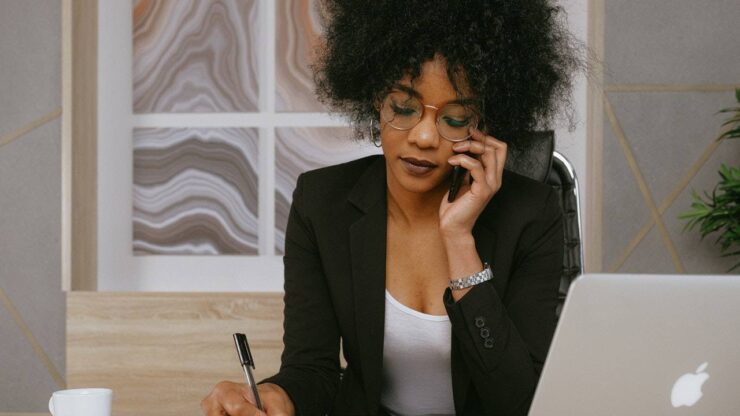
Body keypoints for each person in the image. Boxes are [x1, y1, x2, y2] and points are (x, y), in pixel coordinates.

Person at [202, 1, 583, 414]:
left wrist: (459, 240)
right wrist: (277, 396)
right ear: (375, 100)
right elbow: (312, 370)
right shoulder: (322, 204)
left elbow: (517, 401)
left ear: (485, 125)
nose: (422, 136)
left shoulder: (532, 214)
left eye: (454, 119)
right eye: (403, 107)